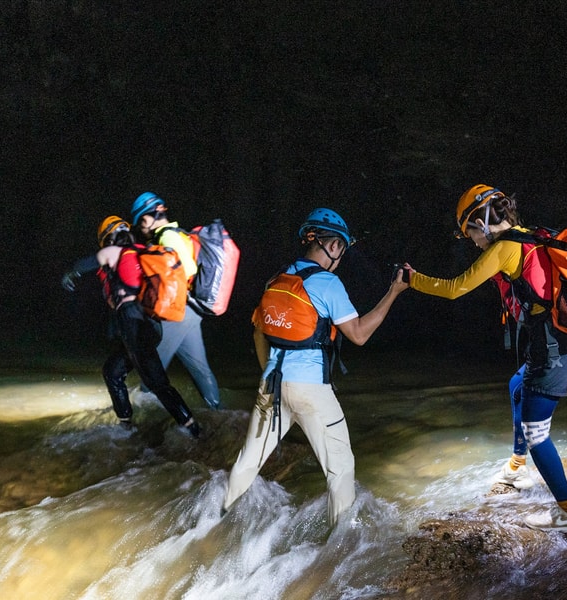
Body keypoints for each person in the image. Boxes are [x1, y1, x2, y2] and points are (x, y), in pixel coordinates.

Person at [402, 185, 567, 533]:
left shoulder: (504, 247)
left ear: (481, 222)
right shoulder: (531, 235)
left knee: (536, 432)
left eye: (469, 233)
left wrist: (412, 280)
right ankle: (516, 467)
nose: (472, 241)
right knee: (517, 385)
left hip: (557, 347)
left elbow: (454, 288)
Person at [222, 208, 409, 525]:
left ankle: (217, 521)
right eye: (342, 251)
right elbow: (359, 334)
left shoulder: (276, 279)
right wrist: (394, 292)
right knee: (341, 468)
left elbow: (258, 333)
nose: (340, 259)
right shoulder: (327, 283)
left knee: (247, 463)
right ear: (333, 246)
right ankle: (343, 542)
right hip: (310, 389)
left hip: (271, 385)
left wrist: (271, 374)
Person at [92, 216, 201, 437]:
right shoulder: (141, 251)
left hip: (134, 324)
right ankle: (126, 425)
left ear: (107, 238)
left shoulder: (113, 253)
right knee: (112, 371)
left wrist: (71, 273)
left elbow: (87, 264)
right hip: (151, 324)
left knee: (157, 382)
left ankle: (193, 430)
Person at [129, 192, 222, 410]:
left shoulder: (167, 237)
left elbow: (188, 269)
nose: (141, 229)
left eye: (140, 223)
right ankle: (218, 413)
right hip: (190, 311)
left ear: (147, 218)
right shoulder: (177, 234)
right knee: (200, 369)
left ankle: (138, 418)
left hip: (178, 310)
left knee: (151, 367)